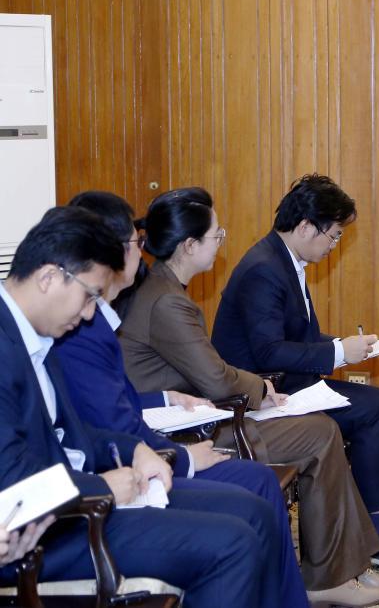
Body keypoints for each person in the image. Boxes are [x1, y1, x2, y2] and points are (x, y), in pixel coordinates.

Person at [116, 189, 379, 607]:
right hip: (186, 430)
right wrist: (260, 389)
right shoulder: (167, 302)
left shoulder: (165, 289)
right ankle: (330, 577)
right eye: (216, 235)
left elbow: (211, 369)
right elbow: (215, 376)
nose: (221, 242)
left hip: (197, 413)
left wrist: (254, 389)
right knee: (319, 433)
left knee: (322, 429)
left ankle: (348, 568)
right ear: (189, 245)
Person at [0, 206, 278, 607]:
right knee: (232, 544)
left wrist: (136, 450)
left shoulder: (34, 335)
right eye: (89, 296)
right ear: (48, 278)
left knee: (252, 511)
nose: (90, 313)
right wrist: (103, 487)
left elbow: (71, 434)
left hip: (81, 500)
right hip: (51, 532)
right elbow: (13, 478)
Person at [210, 174, 379, 571]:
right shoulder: (263, 269)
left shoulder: (284, 260)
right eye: (334, 235)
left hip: (285, 382)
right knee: (374, 408)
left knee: (378, 403)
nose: (335, 245)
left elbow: (297, 335)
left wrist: (345, 348)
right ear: (306, 226)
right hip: (261, 396)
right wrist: (338, 352)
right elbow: (268, 351)